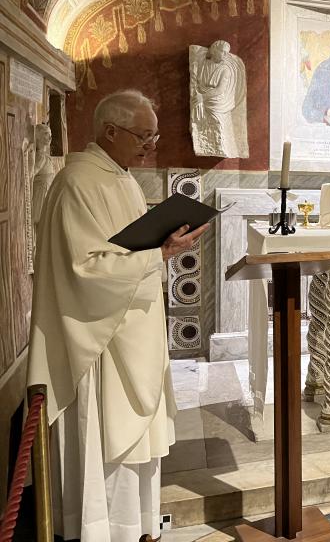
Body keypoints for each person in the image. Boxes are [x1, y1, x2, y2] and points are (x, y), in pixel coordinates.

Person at [26, 90, 208, 541]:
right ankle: (101, 530)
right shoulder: (78, 182)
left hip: (132, 330)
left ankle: (138, 527)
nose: (152, 144)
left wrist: (161, 247)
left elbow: (126, 248)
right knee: (106, 445)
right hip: (100, 340)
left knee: (135, 453)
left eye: (154, 134)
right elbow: (84, 270)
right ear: (110, 131)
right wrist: (160, 255)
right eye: (144, 135)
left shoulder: (120, 177)